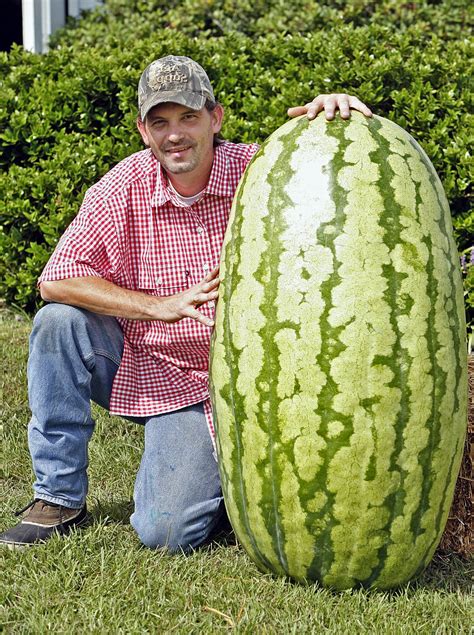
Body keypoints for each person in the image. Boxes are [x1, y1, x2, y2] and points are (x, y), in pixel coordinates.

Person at [0, 55, 372, 550]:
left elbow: (340, 184)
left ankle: (214, 485)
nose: (175, 135)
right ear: (143, 130)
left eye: (188, 117)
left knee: (166, 533)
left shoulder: (263, 173)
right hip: (151, 364)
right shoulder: (123, 186)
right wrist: (158, 305)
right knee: (58, 322)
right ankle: (58, 497)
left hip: (244, 383)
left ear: (215, 118)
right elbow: (56, 280)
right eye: (161, 122)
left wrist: (335, 117)